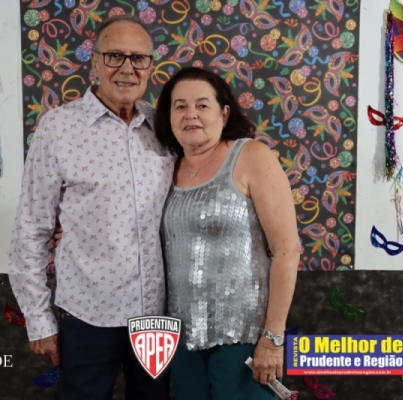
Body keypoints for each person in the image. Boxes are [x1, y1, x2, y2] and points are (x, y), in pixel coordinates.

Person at [8, 15, 175, 400]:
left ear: (151, 66)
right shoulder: (58, 128)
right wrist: (38, 319)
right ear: (94, 61)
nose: (127, 68)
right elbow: (31, 229)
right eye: (115, 56)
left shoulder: (165, 128)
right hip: (88, 313)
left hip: (157, 314)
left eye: (138, 58)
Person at [154, 67, 300, 400]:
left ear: (223, 113)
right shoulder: (165, 167)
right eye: (180, 106)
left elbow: (287, 250)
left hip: (244, 337)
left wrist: (272, 339)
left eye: (202, 105)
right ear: (169, 117)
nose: (190, 113)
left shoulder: (251, 155)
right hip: (184, 340)